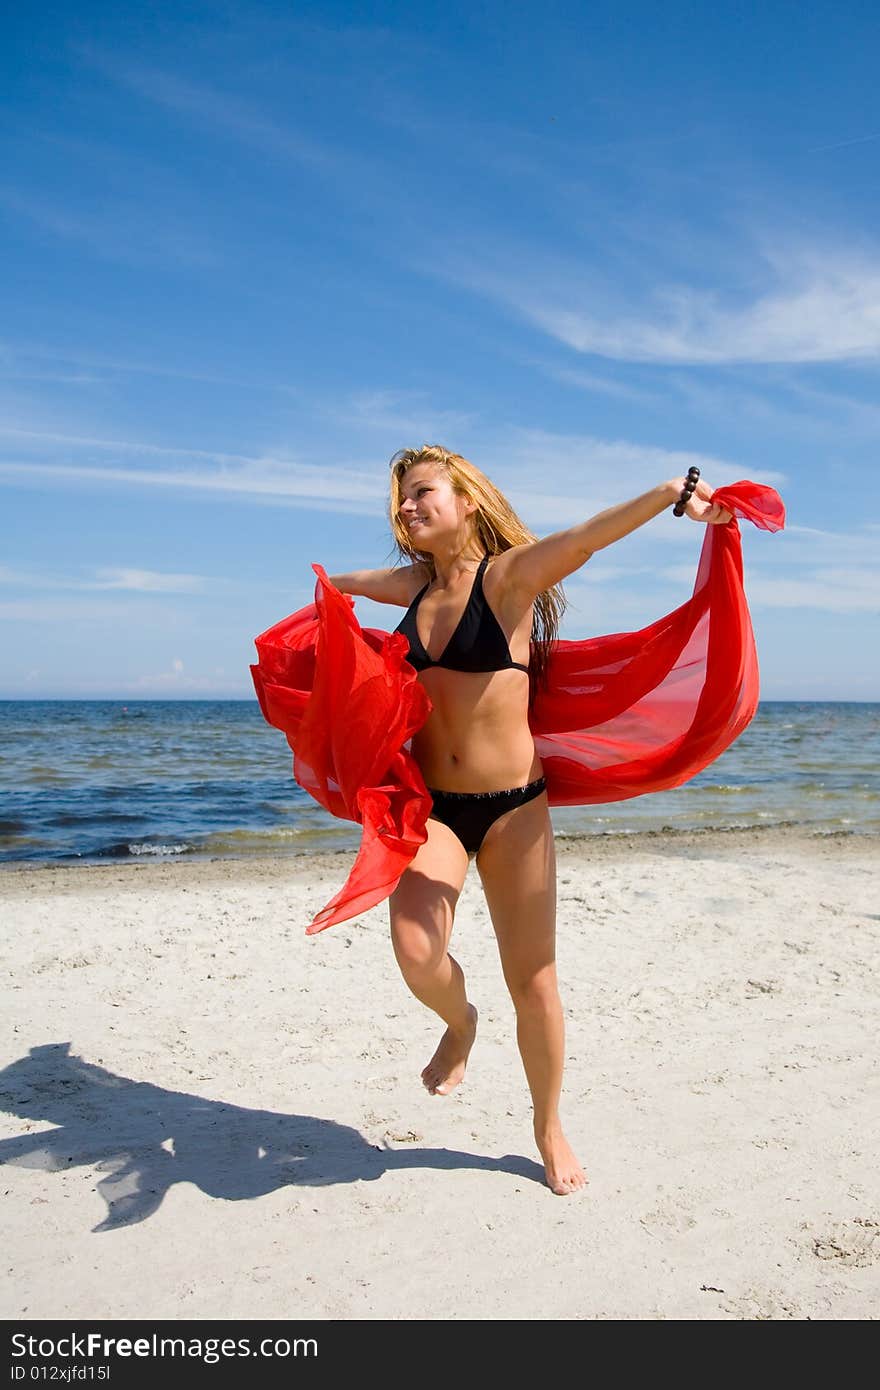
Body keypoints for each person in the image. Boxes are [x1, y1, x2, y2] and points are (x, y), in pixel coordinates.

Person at [326, 445, 733, 1196]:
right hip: (437, 810)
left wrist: (670, 494)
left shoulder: (507, 580)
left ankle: (547, 1125)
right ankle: (460, 1024)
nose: (407, 509)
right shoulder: (410, 588)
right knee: (417, 950)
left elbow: (585, 538)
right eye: (400, 501)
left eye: (421, 494)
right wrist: (321, 592)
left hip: (514, 811)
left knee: (535, 981)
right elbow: (341, 584)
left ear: (466, 502)